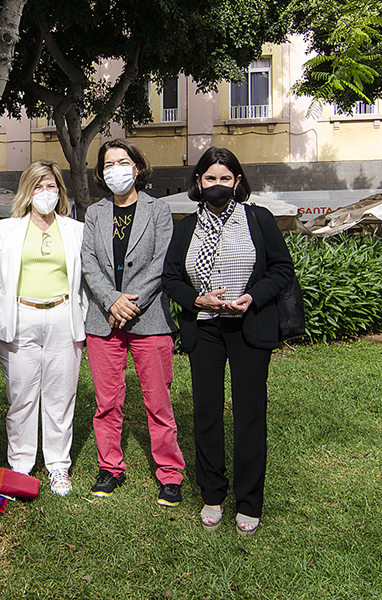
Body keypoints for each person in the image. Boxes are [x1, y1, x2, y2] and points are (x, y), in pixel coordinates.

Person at [162, 147, 294, 536]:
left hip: (248, 326)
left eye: (224, 178)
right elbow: (171, 278)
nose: (217, 185)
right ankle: (212, 494)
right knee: (206, 413)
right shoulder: (185, 227)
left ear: (237, 182)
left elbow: (282, 269)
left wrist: (253, 296)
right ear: (198, 183)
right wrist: (195, 299)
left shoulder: (259, 220)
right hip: (204, 328)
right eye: (209, 179)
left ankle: (249, 500)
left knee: (250, 413)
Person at [81, 139, 185, 505]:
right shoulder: (94, 214)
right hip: (104, 318)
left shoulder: (158, 211)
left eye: (122, 162)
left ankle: (170, 473)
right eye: (108, 164)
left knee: (158, 401)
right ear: (100, 173)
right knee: (107, 401)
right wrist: (112, 300)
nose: (116, 170)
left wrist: (129, 303)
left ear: (137, 167)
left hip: (149, 317)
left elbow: (162, 262)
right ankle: (110, 467)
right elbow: (89, 262)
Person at [0, 160, 87, 496]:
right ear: (27, 191)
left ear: (60, 191)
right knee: (21, 398)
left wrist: (82, 321)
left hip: (62, 318)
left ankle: (58, 465)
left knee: (60, 397)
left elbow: (83, 282)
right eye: (39, 186)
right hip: (20, 320)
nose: (45, 193)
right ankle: (20, 466)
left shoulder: (75, 230)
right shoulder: (7, 229)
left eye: (51, 186)